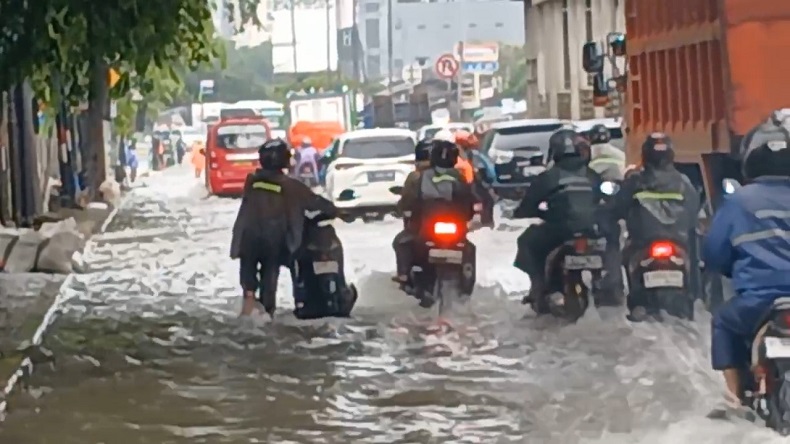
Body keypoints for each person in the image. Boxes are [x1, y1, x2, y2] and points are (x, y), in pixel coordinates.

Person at [704, 115, 790, 409]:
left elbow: (714, 253)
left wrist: (730, 268)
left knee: (723, 323)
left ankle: (737, 398)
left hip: (758, 302)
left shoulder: (739, 201)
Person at [230, 138, 349, 319]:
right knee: (271, 275)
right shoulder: (290, 185)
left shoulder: (252, 183)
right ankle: (273, 309)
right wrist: (338, 210)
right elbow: (315, 201)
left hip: (247, 239)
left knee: (249, 281)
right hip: (274, 242)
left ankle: (249, 305)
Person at [605, 133, 700, 319]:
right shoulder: (683, 183)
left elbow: (617, 207)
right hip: (677, 244)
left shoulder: (635, 182)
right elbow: (694, 210)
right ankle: (693, 298)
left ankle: (634, 301)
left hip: (642, 244)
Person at [512, 129, 603, 309]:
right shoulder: (592, 175)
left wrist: (536, 213)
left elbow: (527, 207)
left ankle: (538, 286)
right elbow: (606, 201)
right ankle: (608, 288)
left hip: (560, 231)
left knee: (526, 241)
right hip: (592, 230)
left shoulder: (548, 177)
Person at [394, 137, 477, 305]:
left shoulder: (420, 178)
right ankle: (466, 282)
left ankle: (403, 276)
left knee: (401, 242)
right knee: (469, 248)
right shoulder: (461, 177)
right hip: (450, 233)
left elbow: (408, 202)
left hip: (428, 232)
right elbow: (471, 203)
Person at [587, 124, 626, 300]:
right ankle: (615, 283)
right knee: (613, 241)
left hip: (596, 206)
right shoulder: (618, 154)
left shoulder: (587, 155)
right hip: (614, 204)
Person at [391, 137, 434, 283]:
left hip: (422, 226)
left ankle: (403, 273)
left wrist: (400, 209)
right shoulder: (453, 174)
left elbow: (407, 199)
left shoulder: (415, 177)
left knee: (400, 242)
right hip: (452, 225)